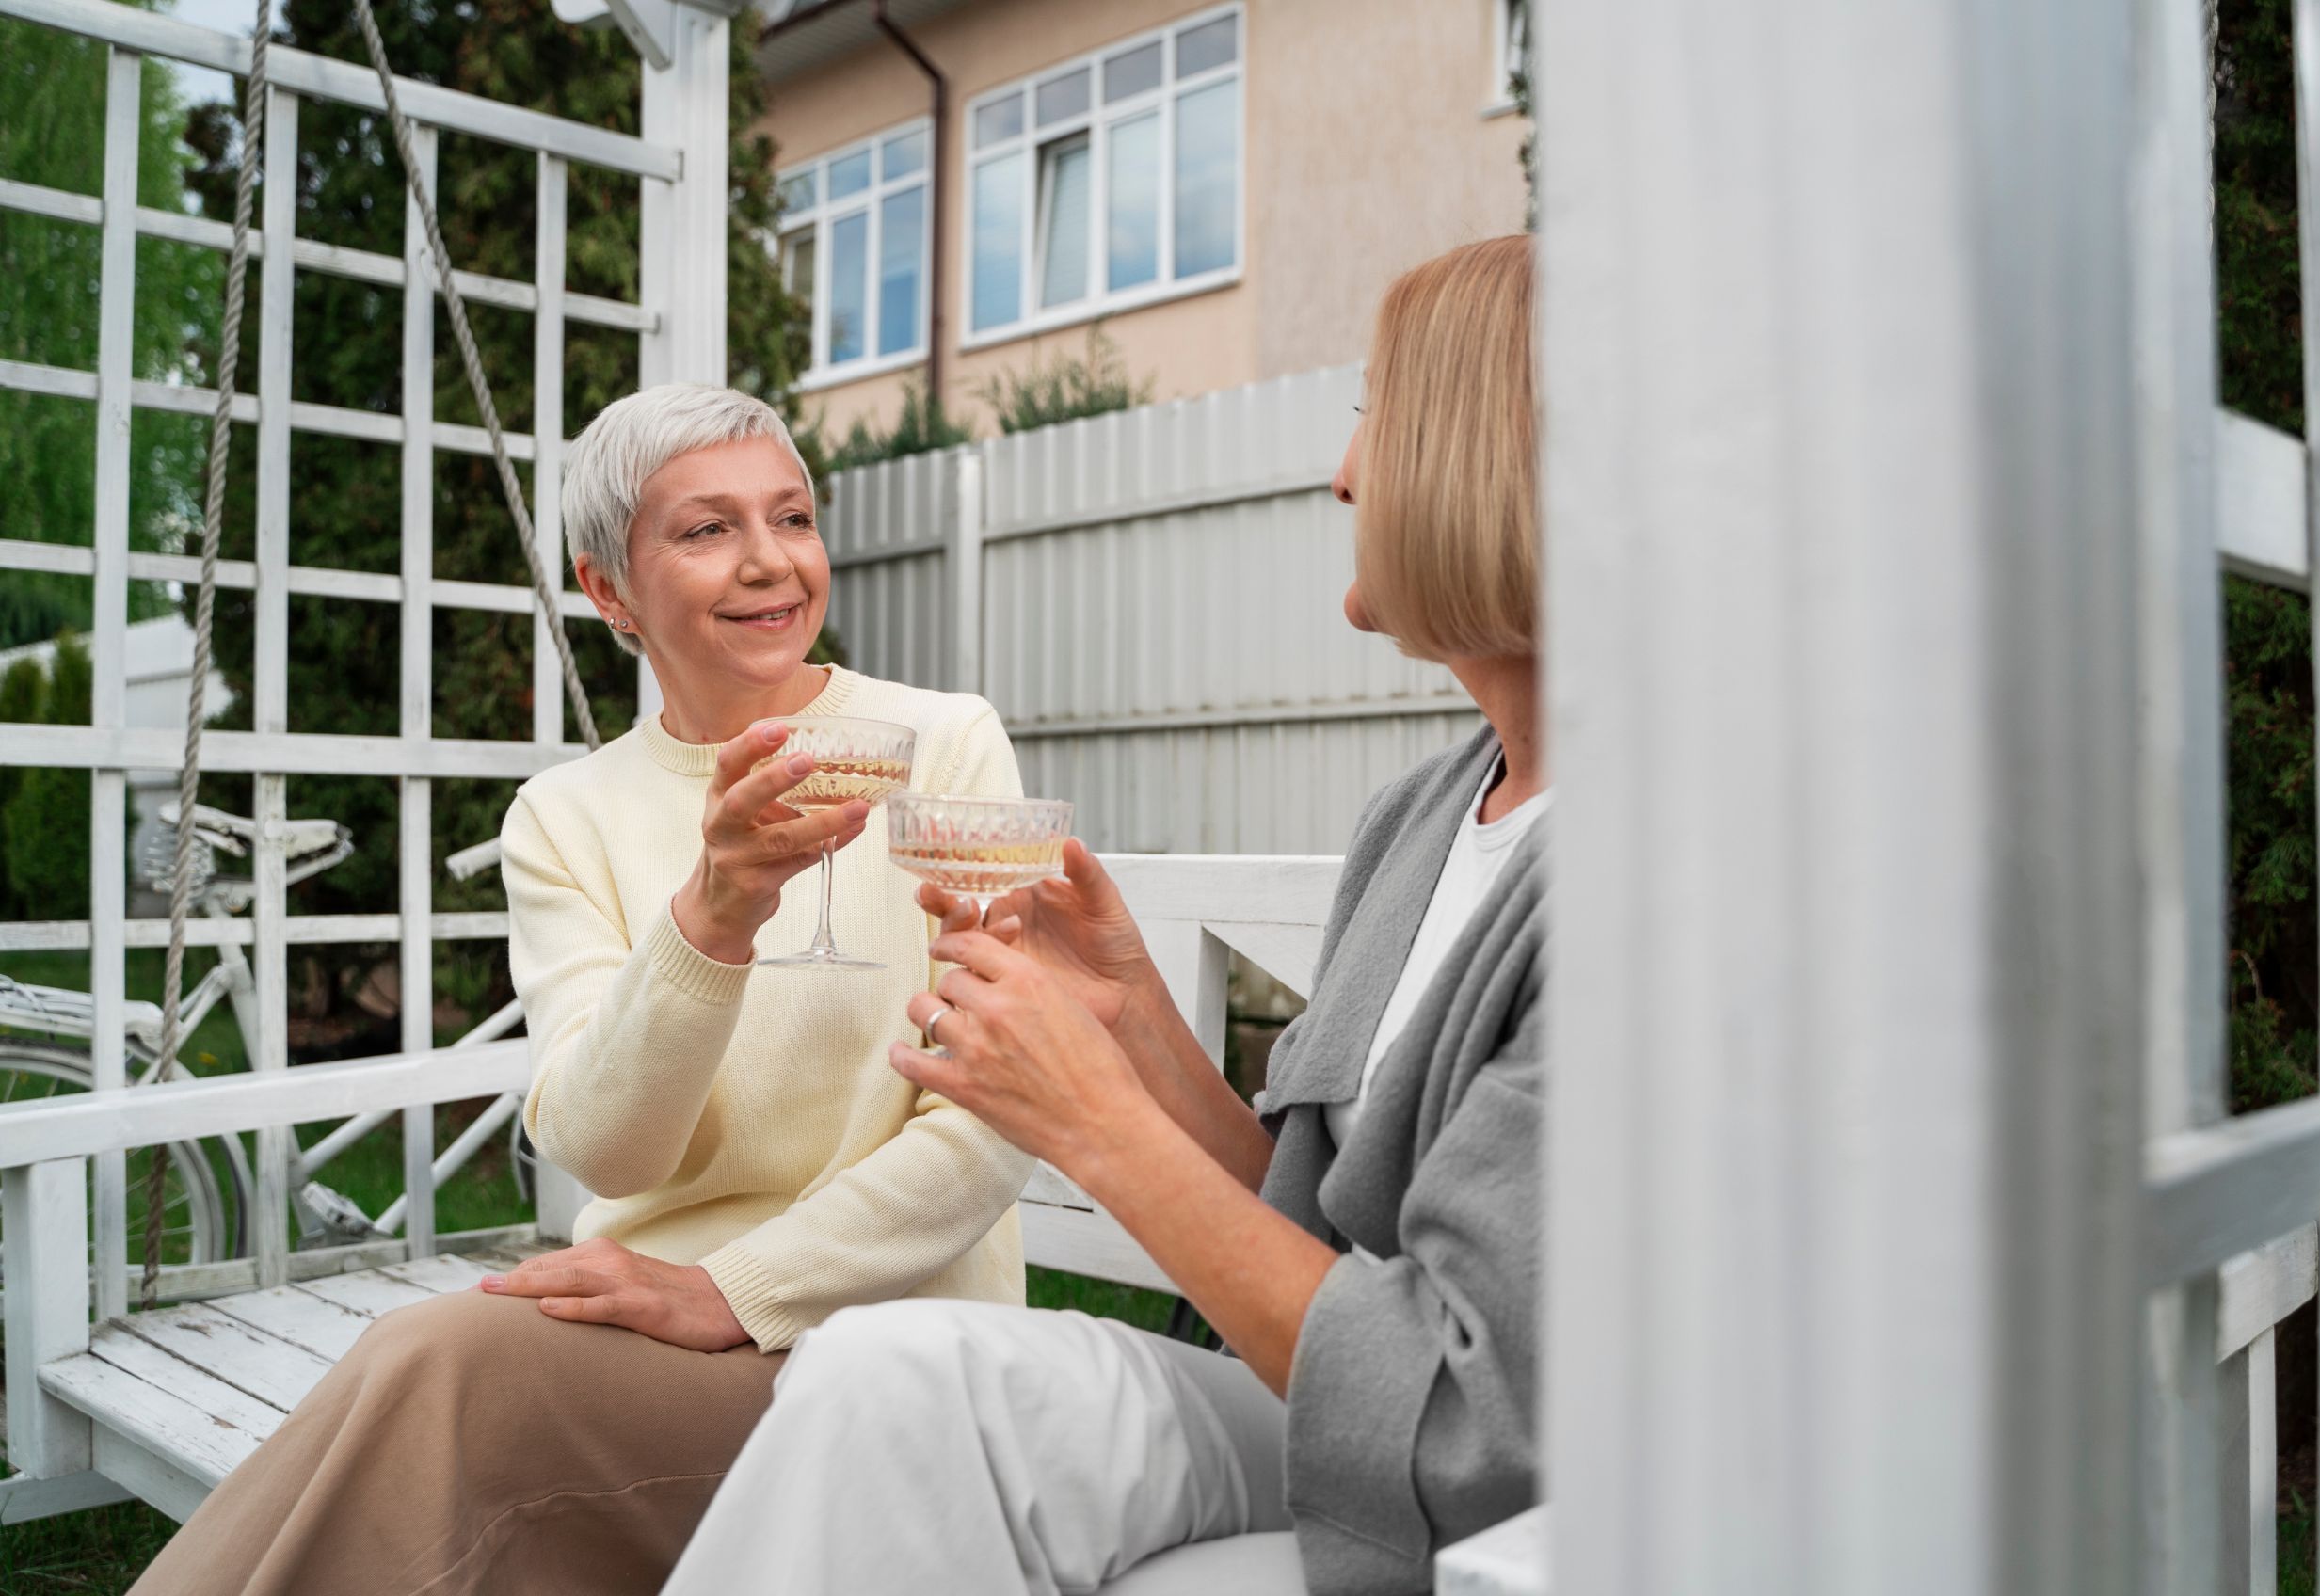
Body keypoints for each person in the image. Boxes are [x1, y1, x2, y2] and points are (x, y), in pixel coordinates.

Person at [664, 233, 1546, 1596]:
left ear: (1480, 450)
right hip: (1334, 1422)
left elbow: (1467, 1430)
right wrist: (1134, 1018)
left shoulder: (1667, 877)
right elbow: (1314, 1240)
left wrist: (1095, 1122)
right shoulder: (1429, 813)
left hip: (1507, 1525)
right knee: (889, 1372)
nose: (1343, 471)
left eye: (1371, 411)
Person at [130, 384, 1033, 1596]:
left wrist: (734, 1287)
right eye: (707, 530)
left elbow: (999, 1112)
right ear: (608, 590)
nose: (772, 562)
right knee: (426, 1373)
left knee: (436, 1367)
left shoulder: (947, 740)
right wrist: (712, 916)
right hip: (640, 1333)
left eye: (794, 517)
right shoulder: (566, 816)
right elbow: (607, 1150)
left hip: (887, 1349)